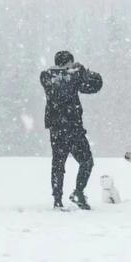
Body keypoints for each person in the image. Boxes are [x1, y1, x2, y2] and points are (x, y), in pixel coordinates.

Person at [40, 51, 103, 210]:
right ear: (68, 63)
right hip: (73, 127)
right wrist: (82, 72)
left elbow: (93, 85)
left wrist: (81, 73)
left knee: (58, 164)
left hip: (57, 129)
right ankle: (78, 192)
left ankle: (57, 199)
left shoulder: (46, 76)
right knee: (86, 161)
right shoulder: (69, 77)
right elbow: (93, 85)